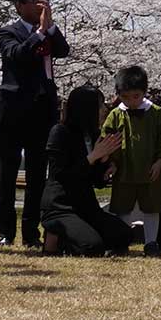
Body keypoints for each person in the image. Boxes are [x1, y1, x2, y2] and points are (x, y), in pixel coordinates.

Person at [0, 0, 69, 250]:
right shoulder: (7, 32)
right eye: (34, 0)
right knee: (7, 176)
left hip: (43, 110)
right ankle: (5, 232)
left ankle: (31, 232)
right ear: (19, 5)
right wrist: (37, 34)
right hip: (12, 112)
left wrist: (48, 28)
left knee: (37, 176)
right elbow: (16, 55)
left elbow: (63, 50)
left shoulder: (48, 31)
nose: (40, 5)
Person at [40, 85, 132, 257]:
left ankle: (76, 235)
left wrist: (105, 163)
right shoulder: (60, 133)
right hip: (61, 206)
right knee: (91, 247)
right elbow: (62, 176)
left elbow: (96, 182)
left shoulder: (93, 135)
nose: (104, 110)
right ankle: (54, 234)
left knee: (124, 235)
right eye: (100, 105)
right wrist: (93, 156)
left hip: (86, 207)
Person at [102, 64, 161, 253]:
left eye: (136, 96)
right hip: (123, 169)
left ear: (144, 92)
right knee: (122, 206)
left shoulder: (156, 114)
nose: (131, 102)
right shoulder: (116, 115)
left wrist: (160, 161)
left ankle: (151, 243)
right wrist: (111, 162)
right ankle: (122, 241)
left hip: (151, 169)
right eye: (125, 97)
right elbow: (106, 139)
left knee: (151, 207)